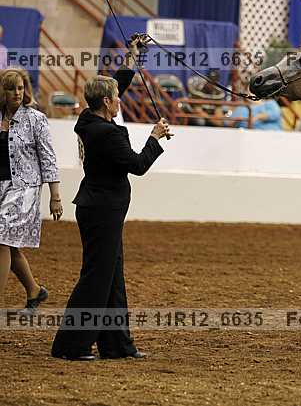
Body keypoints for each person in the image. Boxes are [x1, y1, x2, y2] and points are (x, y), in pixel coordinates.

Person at [51, 37, 173, 361]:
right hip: (103, 211)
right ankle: (70, 345)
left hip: (98, 208)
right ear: (107, 102)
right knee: (96, 278)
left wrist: (131, 57)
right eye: (116, 98)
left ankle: (117, 344)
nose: (120, 99)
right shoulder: (108, 133)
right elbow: (138, 165)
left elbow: (115, 85)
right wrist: (154, 137)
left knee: (112, 278)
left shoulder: (88, 120)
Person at [0, 68, 61, 314]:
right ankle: (34, 290)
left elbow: (48, 158)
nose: (17, 92)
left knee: (1, 238)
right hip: (2, 187)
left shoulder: (36, 118)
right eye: (11, 88)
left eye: (20, 87)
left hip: (25, 188)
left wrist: (55, 196)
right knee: (9, 244)